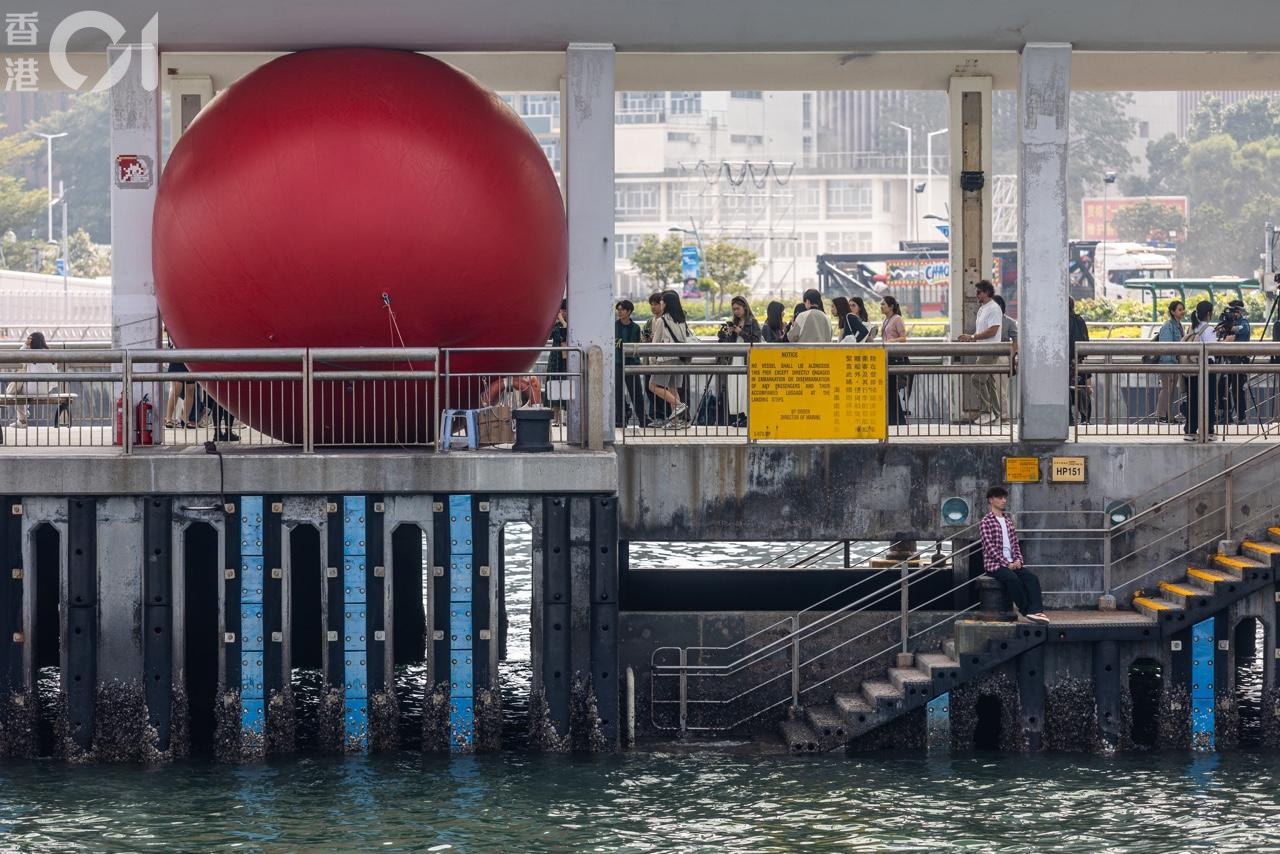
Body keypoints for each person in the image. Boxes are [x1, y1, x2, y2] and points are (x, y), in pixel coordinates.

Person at [980, 486, 1049, 624]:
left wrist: (1018, 560)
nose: (1004, 501)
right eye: (1000, 498)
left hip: (1012, 562)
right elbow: (989, 547)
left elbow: (1015, 544)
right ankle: (1026, 610)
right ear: (991, 500)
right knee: (1013, 579)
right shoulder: (986, 521)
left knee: (1031, 578)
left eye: (1005, 498)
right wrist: (1007, 563)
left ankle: (1037, 611)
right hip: (995, 565)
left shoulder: (1008, 521)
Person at [956, 280, 1004, 426]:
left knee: (977, 378)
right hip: (982, 349)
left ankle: (987, 410)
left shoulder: (994, 308)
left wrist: (972, 337)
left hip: (989, 350)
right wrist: (971, 338)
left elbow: (993, 330)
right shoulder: (983, 308)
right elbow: (982, 330)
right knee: (989, 382)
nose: (976, 295)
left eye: (978, 292)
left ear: (987, 292)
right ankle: (996, 413)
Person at [648, 290, 691, 427]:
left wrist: (652, 360)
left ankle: (679, 405)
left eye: (661, 302)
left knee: (653, 386)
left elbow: (655, 343)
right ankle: (676, 422)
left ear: (666, 303)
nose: (661, 304)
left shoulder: (662, 320)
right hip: (679, 357)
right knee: (673, 389)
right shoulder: (681, 320)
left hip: (666, 357)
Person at [717, 295, 760, 428]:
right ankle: (740, 415)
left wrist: (740, 332)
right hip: (735, 359)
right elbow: (728, 343)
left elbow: (756, 341)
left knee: (744, 387)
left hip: (746, 359)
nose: (736, 311)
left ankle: (748, 416)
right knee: (735, 386)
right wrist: (727, 334)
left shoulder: (752, 322)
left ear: (745, 308)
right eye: (734, 309)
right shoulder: (734, 323)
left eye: (738, 308)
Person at [1184, 300, 1219, 441]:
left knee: (1193, 399)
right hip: (1208, 367)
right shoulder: (1209, 330)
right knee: (1209, 399)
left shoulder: (1192, 328)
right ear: (1209, 313)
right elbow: (1213, 349)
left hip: (1193, 367)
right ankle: (1208, 430)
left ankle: (1190, 431)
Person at [5, 331, 56, 428]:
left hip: (32, 389)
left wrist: (25, 344)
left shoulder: (31, 353)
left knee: (17, 392)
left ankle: (22, 420)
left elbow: (18, 356)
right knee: (23, 388)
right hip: (46, 390)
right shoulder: (50, 354)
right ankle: (24, 411)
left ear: (31, 342)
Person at [1153, 300, 1185, 424]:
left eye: (1182, 309)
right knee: (1166, 389)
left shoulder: (1179, 326)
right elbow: (1165, 347)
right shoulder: (1168, 326)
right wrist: (1169, 364)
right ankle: (1161, 416)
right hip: (1168, 363)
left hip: (1176, 363)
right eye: (1179, 310)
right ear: (1172, 311)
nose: (1182, 312)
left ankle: (1169, 416)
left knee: (1171, 390)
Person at [615, 300, 646, 428]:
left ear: (629, 311)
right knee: (618, 393)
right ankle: (620, 419)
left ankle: (643, 419)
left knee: (636, 393)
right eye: (618, 309)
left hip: (632, 364)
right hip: (617, 363)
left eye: (622, 309)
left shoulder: (636, 328)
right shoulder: (614, 326)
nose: (619, 312)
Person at [1221, 299, 1251, 424]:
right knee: (1222, 388)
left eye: (1233, 311)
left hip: (1239, 361)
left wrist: (1230, 327)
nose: (1232, 313)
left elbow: (1241, 330)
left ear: (1239, 311)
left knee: (1237, 390)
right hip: (1228, 360)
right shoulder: (1229, 323)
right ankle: (1225, 415)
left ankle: (1241, 417)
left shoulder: (1243, 323)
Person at [880, 295, 909, 426]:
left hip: (895, 358)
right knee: (889, 390)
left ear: (891, 306)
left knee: (892, 389)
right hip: (888, 357)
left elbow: (903, 338)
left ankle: (898, 420)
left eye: (883, 304)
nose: (881, 307)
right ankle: (894, 420)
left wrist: (891, 341)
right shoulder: (886, 320)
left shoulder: (897, 319)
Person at [1067, 297, 1092, 425]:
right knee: (1082, 387)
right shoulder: (1080, 320)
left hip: (1065, 362)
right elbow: (1086, 341)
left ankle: (1070, 419)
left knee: (1065, 388)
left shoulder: (1062, 321)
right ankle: (1085, 418)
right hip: (1078, 360)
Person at [164, 341, 197, 429]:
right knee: (177, 388)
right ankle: (168, 418)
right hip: (177, 355)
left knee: (191, 389)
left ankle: (185, 418)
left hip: (190, 355)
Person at [547, 299, 568, 425]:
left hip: (565, 360)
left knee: (565, 385)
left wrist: (563, 322)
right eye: (561, 310)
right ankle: (555, 416)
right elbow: (548, 336)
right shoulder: (555, 325)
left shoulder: (569, 324)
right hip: (555, 358)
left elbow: (566, 335)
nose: (561, 312)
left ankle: (564, 416)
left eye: (564, 310)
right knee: (553, 384)